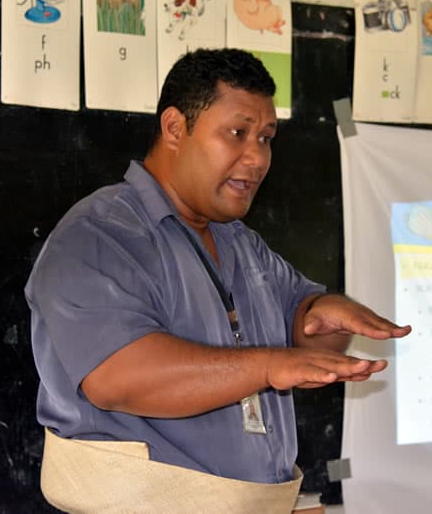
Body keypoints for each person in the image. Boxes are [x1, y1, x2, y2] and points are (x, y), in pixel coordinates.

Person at [25, 48, 411, 512]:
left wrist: (323, 319)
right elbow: (118, 378)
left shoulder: (241, 244)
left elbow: (308, 344)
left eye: (266, 138)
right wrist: (267, 366)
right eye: (238, 133)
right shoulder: (98, 235)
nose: (257, 158)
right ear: (174, 128)